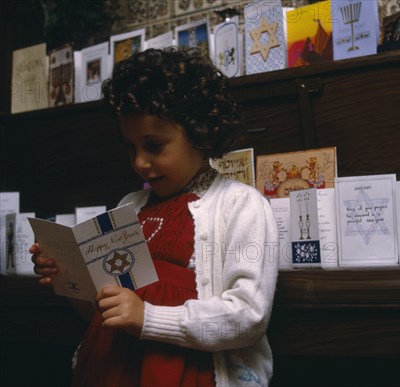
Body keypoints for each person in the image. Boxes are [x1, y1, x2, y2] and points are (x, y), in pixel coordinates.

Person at [30, 47, 280, 387]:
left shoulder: (240, 205)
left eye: (154, 146)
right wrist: (69, 279)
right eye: (131, 147)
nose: (139, 163)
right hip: (110, 371)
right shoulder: (129, 207)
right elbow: (101, 313)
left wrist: (148, 318)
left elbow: (249, 315)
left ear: (199, 131)